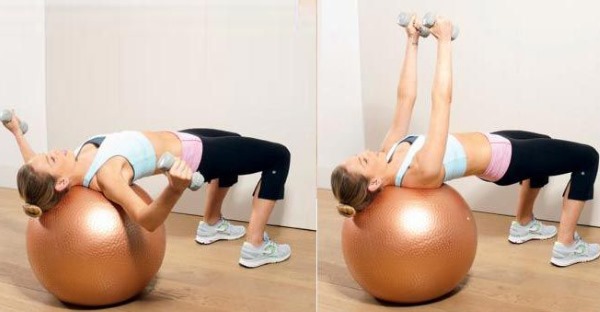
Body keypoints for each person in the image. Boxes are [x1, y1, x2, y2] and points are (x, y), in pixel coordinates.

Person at [330, 14, 600, 267]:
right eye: (363, 160)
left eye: (359, 154)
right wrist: (444, 43)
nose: (367, 151)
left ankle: (524, 224)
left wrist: (411, 43)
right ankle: (566, 246)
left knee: (544, 142)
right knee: (588, 157)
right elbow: (441, 101)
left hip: (493, 142)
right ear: (374, 182)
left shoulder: (388, 153)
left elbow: (405, 98)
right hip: (505, 161)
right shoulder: (421, 170)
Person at [3, 112, 291, 268]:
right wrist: (174, 189)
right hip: (195, 156)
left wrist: (17, 132)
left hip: (183, 137)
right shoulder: (108, 176)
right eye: (51, 158)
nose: (53, 151)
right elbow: (147, 220)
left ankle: (211, 224)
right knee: (279, 155)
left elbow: (33, 167)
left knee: (235, 141)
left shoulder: (73, 163)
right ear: (61, 182)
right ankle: (255, 246)